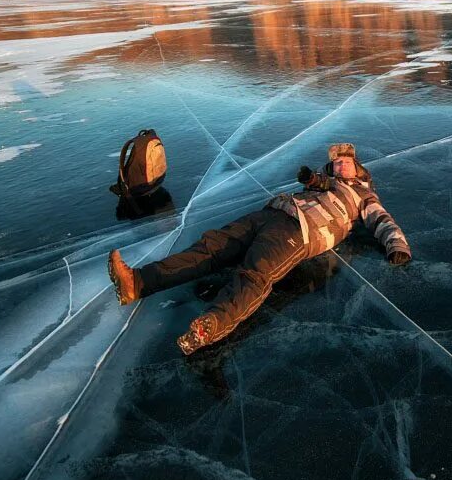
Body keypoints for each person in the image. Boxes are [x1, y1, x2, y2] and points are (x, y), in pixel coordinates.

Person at [107, 143, 411, 354]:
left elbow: (383, 222)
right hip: (272, 213)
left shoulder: (364, 198)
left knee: (256, 273)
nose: (340, 164)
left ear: (358, 169)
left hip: (302, 231)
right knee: (211, 246)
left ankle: (213, 324)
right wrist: (311, 179)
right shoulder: (324, 183)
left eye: (346, 162)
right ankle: (137, 282)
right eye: (337, 162)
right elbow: (316, 180)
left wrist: (396, 245)